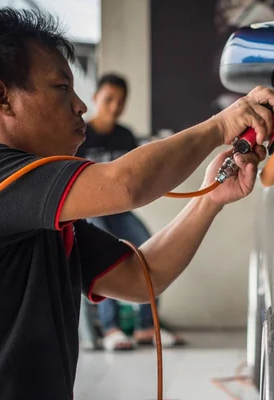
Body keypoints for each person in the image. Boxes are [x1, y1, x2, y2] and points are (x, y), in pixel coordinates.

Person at [0, 8, 274, 400]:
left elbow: (142, 277)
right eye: (61, 87)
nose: (81, 106)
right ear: (3, 98)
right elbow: (125, 184)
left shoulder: (37, 209)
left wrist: (210, 199)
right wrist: (221, 125)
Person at [76, 74, 181, 351]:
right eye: (108, 99)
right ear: (96, 98)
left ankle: (147, 326)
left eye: (120, 102)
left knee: (146, 245)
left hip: (120, 211)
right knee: (103, 255)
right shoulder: (80, 134)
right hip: (90, 211)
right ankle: (110, 328)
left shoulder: (126, 135)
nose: (114, 106)